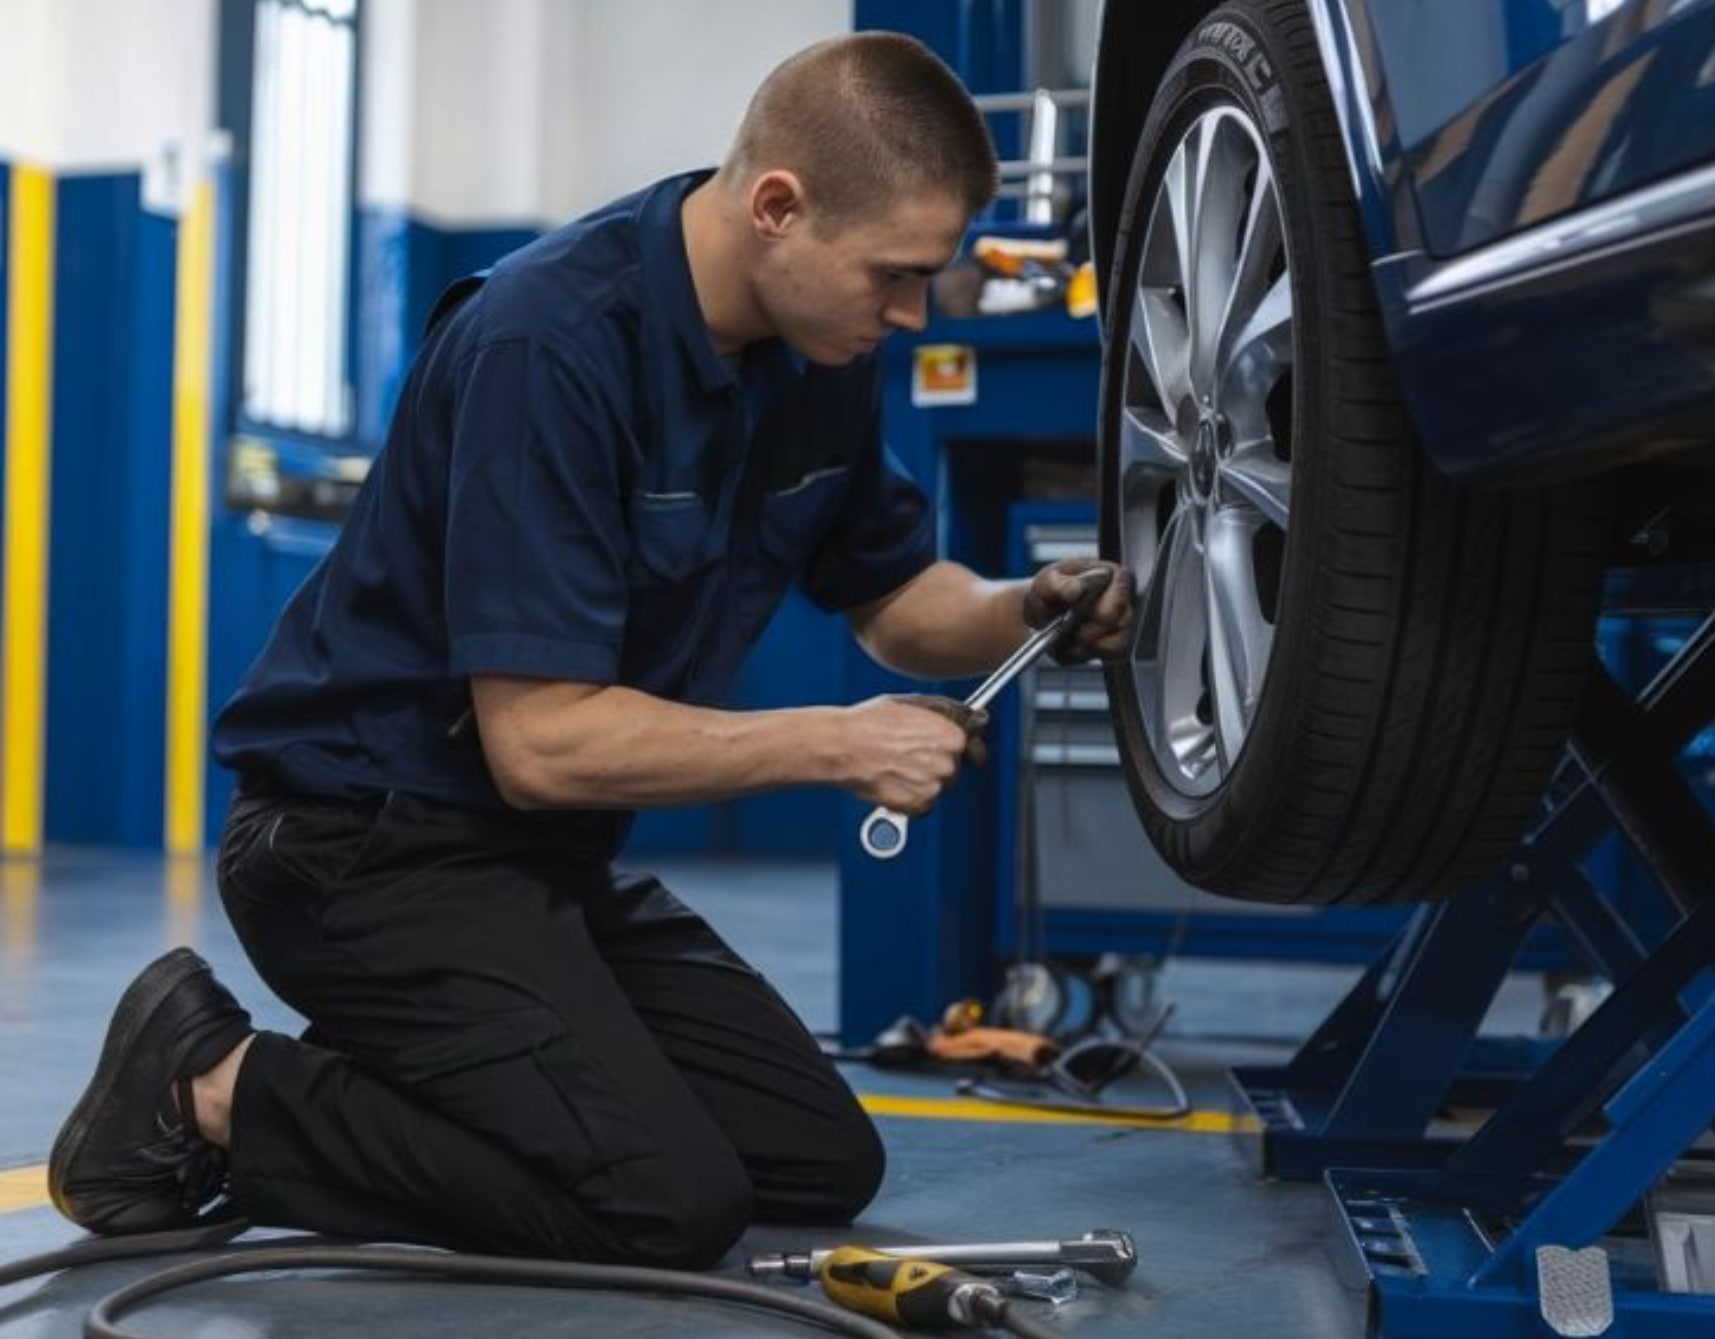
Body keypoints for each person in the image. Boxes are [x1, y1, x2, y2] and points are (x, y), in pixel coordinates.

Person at [48, 32, 1132, 1268]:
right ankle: (212, 1083)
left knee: (817, 1157)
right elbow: (542, 742)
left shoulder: (820, 351)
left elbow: (893, 596)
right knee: (663, 1205)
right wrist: (835, 743)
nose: (908, 312)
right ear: (778, 206)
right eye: (893, 275)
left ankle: (455, 1060)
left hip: (535, 864)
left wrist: (1026, 605)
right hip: (361, 854)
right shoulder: (547, 343)